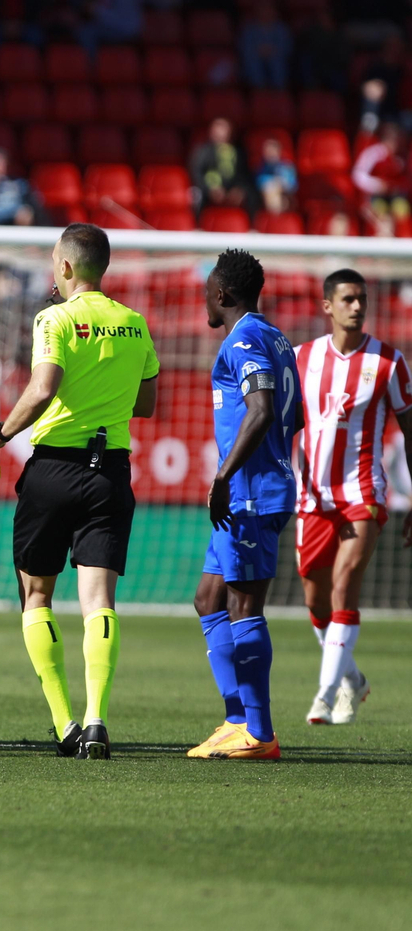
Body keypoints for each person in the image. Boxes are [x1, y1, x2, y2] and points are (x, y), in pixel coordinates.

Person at [0, 224, 160, 760]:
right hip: (110, 473)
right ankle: (97, 719)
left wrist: (0, 434)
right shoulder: (133, 322)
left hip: (54, 469)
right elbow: (145, 405)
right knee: (99, 602)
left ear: (65, 268)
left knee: (37, 595)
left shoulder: (53, 318)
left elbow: (43, 386)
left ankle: (64, 724)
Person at [187, 250, 298, 761]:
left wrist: (226, 475)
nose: (206, 299)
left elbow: (262, 410)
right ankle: (236, 721)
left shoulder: (246, 338)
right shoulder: (277, 338)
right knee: (209, 598)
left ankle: (261, 732)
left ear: (223, 295)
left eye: (209, 291)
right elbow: (291, 419)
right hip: (251, 491)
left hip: (249, 494)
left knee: (243, 605)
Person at [294, 270, 412, 726]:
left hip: (362, 492)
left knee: (346, 584)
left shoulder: (388, 362)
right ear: (328, 306)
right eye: (347, 299)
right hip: (312, 496)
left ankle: (324, 696)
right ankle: (352, 680)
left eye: (362, 298)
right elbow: (286, 423)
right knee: (315, 599)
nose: (357, 306)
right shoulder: (303, 359)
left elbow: (410, 429)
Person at [352, 124, 410, 237]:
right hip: (375, 197)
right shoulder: (374, 153)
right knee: (381, 212)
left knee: (401, 209)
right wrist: (378, 185)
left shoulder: (400, 156)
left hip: (395, 197)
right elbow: (357, 175)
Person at [190, 118, 250, 212]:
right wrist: (210, 190)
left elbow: (244, 174)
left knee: (251, 194)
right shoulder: (202, 151)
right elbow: (197, 173)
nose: (221, 132)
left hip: (231, 190)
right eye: (218, 128)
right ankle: (197, 225)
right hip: (209, 189)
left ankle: (253, 225)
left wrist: (239, 190)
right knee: (196, 195)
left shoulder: (238, 152)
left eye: (224, 128)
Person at [0, 148, 42, 225]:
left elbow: (32, 201)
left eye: (0, 163)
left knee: (25, 214)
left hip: (14, 217)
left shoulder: (18, 182)